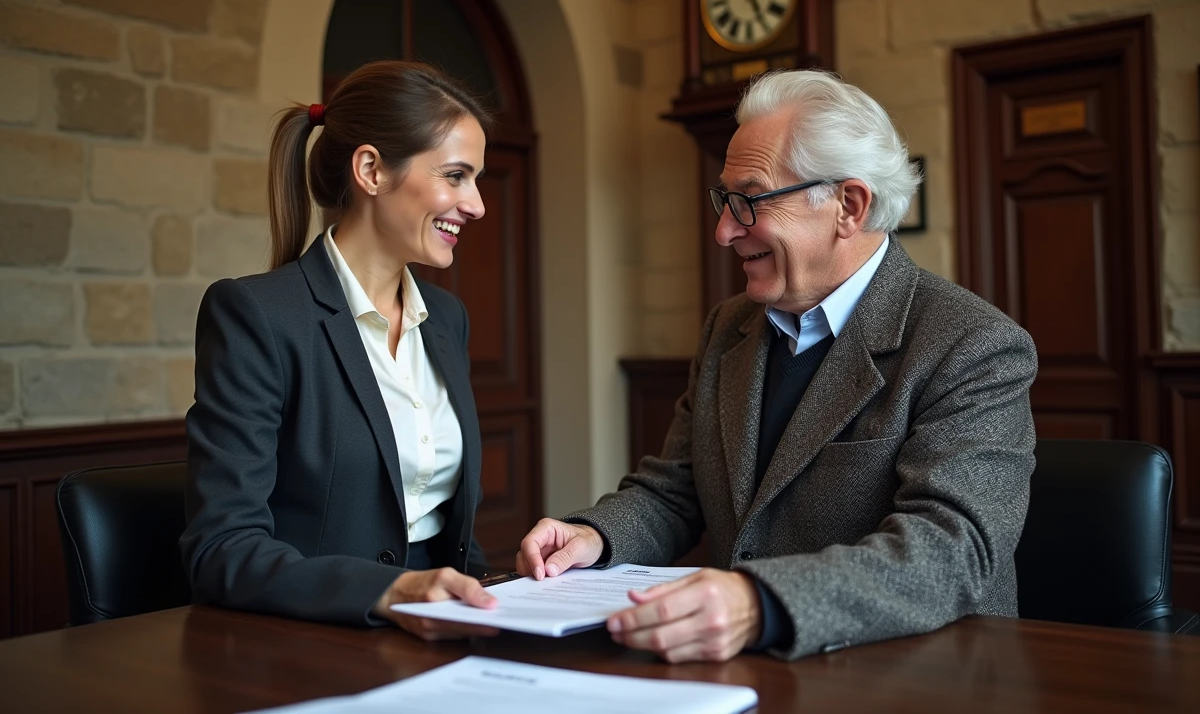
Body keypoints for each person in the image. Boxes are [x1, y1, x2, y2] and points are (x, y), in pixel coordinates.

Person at [517, 69, 1038, 662]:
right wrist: (596, 536)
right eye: (723, 200)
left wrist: (759, 603)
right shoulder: (727, 328)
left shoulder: (973, 344)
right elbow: (675, 491)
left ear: (848, 204)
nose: (723, 231)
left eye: (748, 201)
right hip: (746, 674)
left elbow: (954, 550)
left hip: (913, 677)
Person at [181, 61, 502, 639]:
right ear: (371, 170)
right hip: (314, 645)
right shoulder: (255, 315)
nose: (476, 204)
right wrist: (391, 593)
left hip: (441, 639)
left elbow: (451, 530)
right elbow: (222, 550)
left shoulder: (447, 319)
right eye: (456, 176)